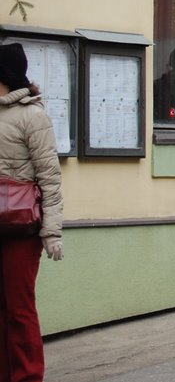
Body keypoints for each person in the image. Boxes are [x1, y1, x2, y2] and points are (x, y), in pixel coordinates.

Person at [0, 43, 64, 381]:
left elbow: (49, 177)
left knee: (20, 310)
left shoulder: (32, 116)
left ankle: (27, 377)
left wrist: (51, 231)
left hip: (21, 229)